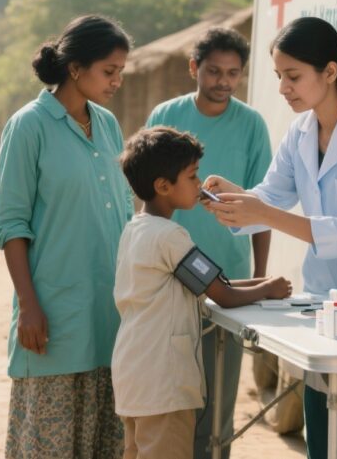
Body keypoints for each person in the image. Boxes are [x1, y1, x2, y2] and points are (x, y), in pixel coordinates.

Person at [203, 17, 337, 458]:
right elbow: (270, 196)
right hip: (326, 301)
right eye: (280, 75)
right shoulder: (300, 132)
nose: (283, 87)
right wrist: (231, 201)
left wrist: (263, 211)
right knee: (323, 430)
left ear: (331, 72)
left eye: (293, 76)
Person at [0, 15, 133, 459]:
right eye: (109, 71)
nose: (117, 82)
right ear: (75, 68)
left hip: (108, 311)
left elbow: (124, 210)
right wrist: (29, 306)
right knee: (48, 445)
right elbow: (11, 223)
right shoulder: (29, 126)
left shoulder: (108, 124)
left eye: (121, 73)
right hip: (53, 314)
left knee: (103, 443)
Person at [112, 126, 291, 459]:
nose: (199, 184)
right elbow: (222, 294)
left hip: (134, 375)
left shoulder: (136, 229)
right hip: (163, 383)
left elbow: (212, 285)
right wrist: (267, 287)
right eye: (193, 177)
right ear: (163, 186)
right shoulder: (170, 237)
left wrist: (260, 285)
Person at [144, 28, 272, 459]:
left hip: (228, 283)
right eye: (214, 71)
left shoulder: (252, 123)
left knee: (219, 396)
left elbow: (263, 206)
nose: (223, 81)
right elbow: (147, 189)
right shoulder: (166, 113)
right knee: (172, 394)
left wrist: (258, 276)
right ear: (194, 68)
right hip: (169, 278)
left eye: (233, 73)